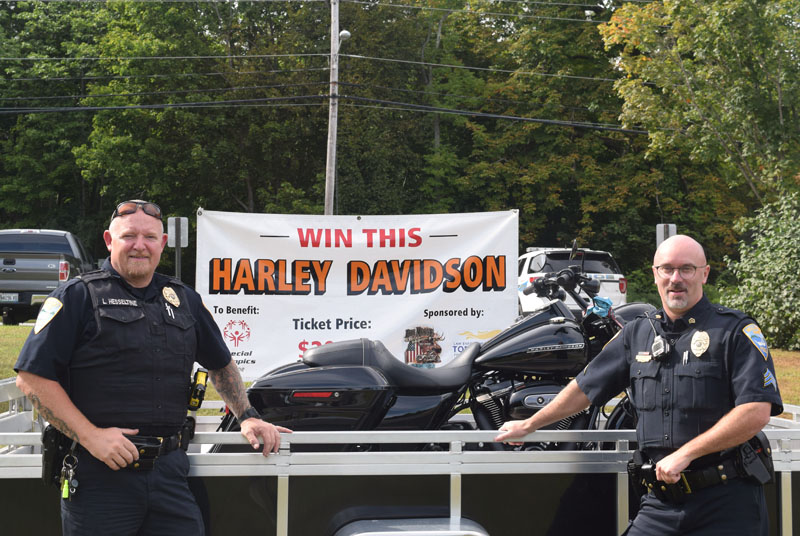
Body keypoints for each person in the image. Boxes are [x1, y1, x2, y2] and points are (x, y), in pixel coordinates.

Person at [14, 200, 291, 535]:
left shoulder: (183, 298)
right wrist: (91, 437)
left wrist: (246, 416)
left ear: (162, 243)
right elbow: (31, 378)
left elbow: (222, 364)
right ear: (108, 240)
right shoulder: (77, 296)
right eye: (129, 236)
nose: (139, 245)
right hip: (98, 477)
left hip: (170, 474)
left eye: (149, 237)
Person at [495, 234, 782, 535]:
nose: (676, 279)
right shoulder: (638, 333)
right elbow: (585, 388)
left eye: (687, 269)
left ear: (704, 274)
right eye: (667, 269)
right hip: (660, 505)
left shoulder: (734, 331)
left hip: (726, 503)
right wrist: (530, 425)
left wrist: (687, 454)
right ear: (655, 274)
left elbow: (755, 410)